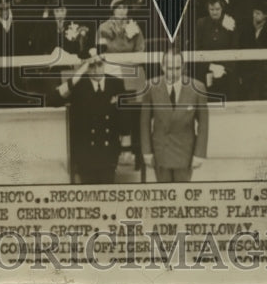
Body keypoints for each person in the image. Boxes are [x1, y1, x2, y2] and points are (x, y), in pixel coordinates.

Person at [54, 54, 133, 184]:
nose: (96, 69)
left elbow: (124, 116)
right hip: (85, 154)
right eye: (91, 65)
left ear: (105, 64)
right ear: (85, 66)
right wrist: (78, 74)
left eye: (99, 64)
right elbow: (54, 99)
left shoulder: (116, 83)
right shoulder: (78, 84)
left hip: (108, 153)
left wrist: (126, 148)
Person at [139, 50, 209, 182]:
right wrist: (147, 152)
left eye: (177, 68)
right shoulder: (150, 87)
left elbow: (203, 124)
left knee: (182, 195)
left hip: (185, 153)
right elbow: (145, 123)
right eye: (170, 68)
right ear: (163, 66)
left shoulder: (197, 88)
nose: (173, 73)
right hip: (161, 152)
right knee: (165, 195)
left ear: (183, 66)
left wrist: (199, 154)